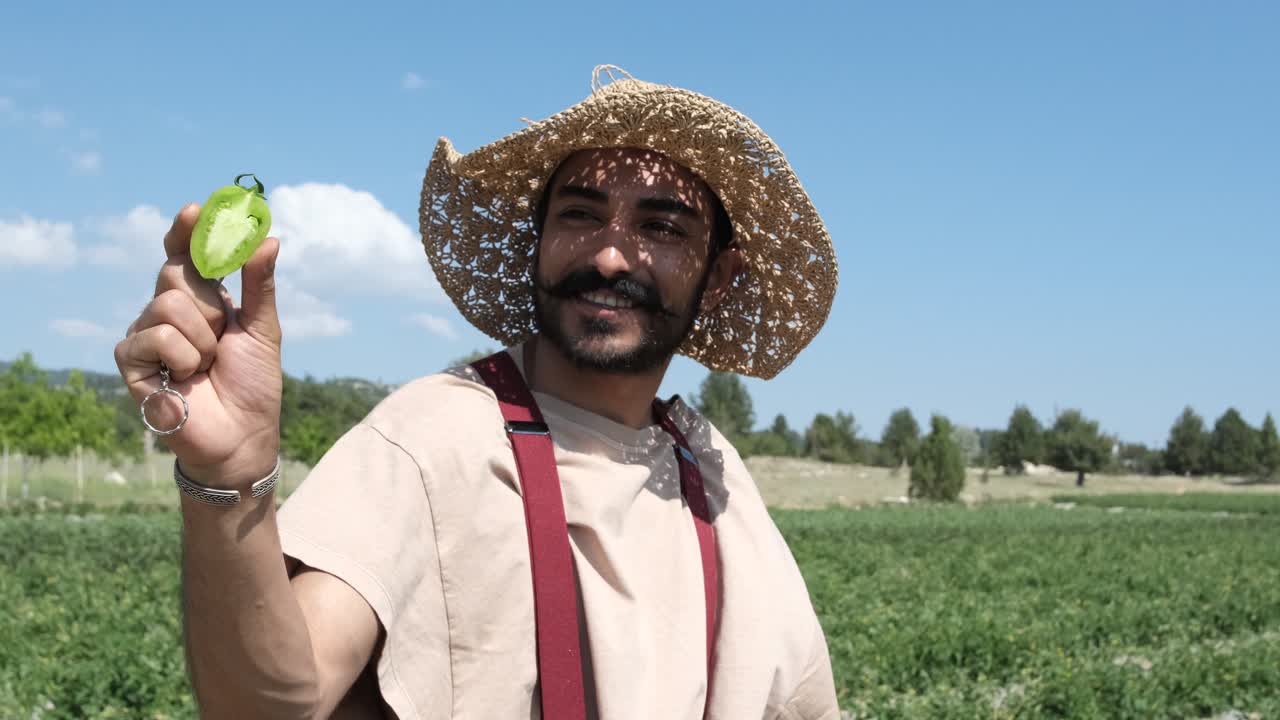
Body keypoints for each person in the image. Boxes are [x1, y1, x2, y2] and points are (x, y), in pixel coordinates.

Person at [114, 65, 840, 720]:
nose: (611, 253)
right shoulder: (437, 434)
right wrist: (227, 480)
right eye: (580, 214)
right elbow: (270, 704)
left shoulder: (712, 471)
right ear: (538, 243)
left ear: (718, 279)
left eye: (661, 227)